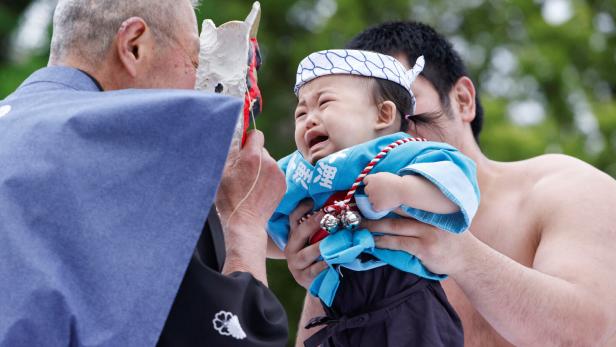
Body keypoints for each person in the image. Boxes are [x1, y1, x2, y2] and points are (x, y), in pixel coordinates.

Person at [287, 21, 616, 346]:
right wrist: (324, 286)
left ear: (462, 99)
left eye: (407, 108)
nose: (392, 136)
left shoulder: (564, 188)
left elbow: (584, 334)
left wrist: (461, 255)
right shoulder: (352, 236)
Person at [0, 1, 287, 346]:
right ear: (134, 45)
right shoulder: (130, 154)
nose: (196, 83)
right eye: (195, 61)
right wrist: (245, 222)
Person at [268, 49, 481, 346]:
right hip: (338, 306)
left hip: (405, 301)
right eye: (300, 113)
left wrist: (403, 190)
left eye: (324, 103)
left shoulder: (402, 151)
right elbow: (262, 223)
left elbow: (458, 189)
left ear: (383, 115)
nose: (308, 120)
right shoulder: (299, 169)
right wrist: (288, 248)